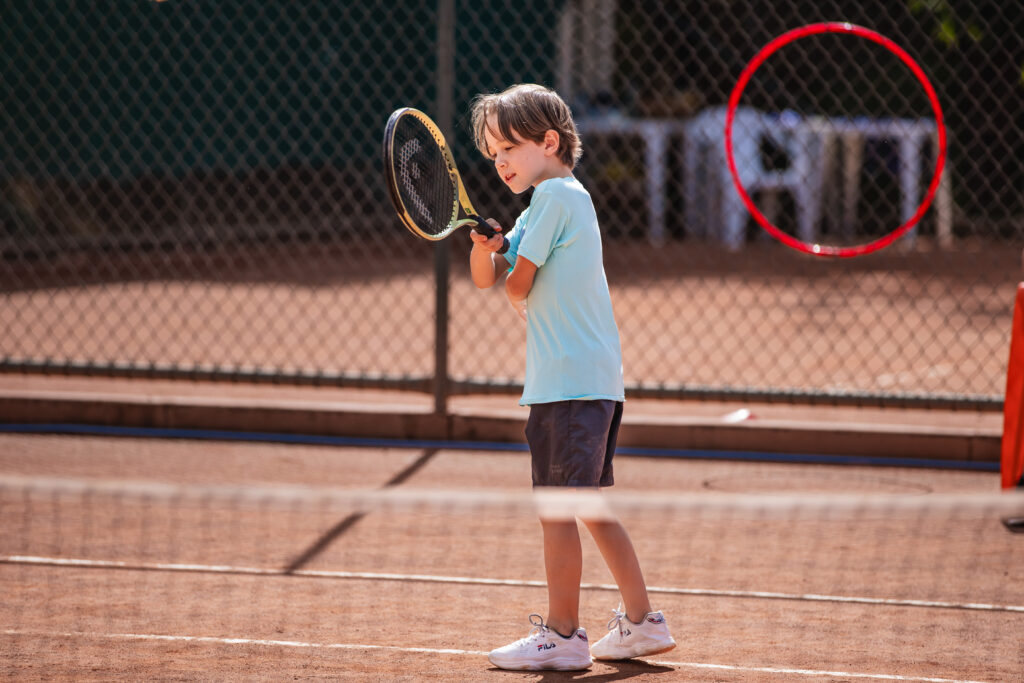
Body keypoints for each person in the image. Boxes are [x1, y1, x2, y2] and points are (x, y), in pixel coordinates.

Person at [467, 83, 676, 671]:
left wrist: (508, 258)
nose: (500, 160)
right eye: (492, 153)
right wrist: (490, 246)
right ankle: (643, 623)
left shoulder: (555, 198)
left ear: (549, 141)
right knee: (590, 506)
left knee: (557, 508)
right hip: (589, 383)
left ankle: (562, 635)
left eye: (508, 146)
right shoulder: (550, 203)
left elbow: (515, 283)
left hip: (568, 388)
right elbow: (489, 275)